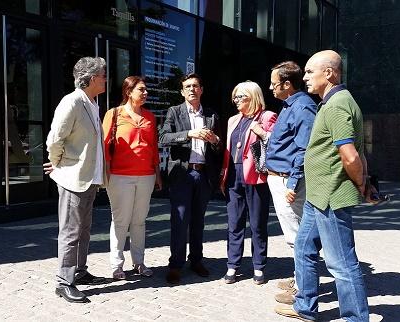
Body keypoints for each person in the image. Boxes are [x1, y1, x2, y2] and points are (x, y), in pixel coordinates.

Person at [275, 50, 374, 322]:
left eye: (309, 71)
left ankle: (356, 318)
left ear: (328, 73)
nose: (304, 77)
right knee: (304, 247)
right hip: (318, 196)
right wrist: (364, 181)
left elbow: (351, 155)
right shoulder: (332, 102)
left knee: (341, 263)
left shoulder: (337, 104)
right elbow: (358, 153)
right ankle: (305, 306)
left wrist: (360, 183)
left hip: (330, 195)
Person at [45, 57, 107, 303]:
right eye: (103, 75)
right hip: (73, 179)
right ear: (92, 79)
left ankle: (79, 272)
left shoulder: (92, 103)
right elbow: (54, 139)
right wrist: (59, 164)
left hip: (90, 178)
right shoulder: (71, 102)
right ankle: (64, 281)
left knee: (84, 229)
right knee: (70, 232)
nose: (105, 78)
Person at [159, 73, 222, 284]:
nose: (192, 89)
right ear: (182, 91)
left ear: (202, 89)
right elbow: (163, 138)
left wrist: (214, 140)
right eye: (188, 87)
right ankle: (176, 264)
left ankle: (196, 260)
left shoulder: (212, 115)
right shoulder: (174, 112)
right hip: (182, 175)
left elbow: (219, 147)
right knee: (179, 220)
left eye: (196, 86)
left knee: (198, 221)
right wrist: (189, 134)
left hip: (203, 174)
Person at [265, 61, 317, 304]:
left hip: (288, 181)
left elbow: (304, 148)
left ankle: (303, 289)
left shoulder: (303, 107)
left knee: (296, 235)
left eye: (274, 83)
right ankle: (300, 280)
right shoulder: (290, 105)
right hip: (281, 177)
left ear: (287, 84)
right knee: (294, 233)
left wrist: (292, 183)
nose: (271, 87)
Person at [102, 76, 162, 280]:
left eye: (146, 90)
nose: (145, 93)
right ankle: (117, 265)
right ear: (129, 92)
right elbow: (104, 145)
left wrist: (157, 173)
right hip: (120, 176)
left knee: (139, 221)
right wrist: (106, 172)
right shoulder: (114, 114)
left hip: (146, 175)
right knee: (120, 221)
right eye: (141, 90)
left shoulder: (150, 117)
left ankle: (139, 262)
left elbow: (154, 147)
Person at [218, 81, 277, 285]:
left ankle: (259, 266)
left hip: (255, 176)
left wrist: (261, 132)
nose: (236, 101)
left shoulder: (267, 117)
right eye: (235, 97)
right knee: (234, 223)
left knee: (257, 223)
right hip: (234, 174)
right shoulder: (233, 120)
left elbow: (276, 143)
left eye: (240, 96)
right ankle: (232, 265)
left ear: (253, 97)